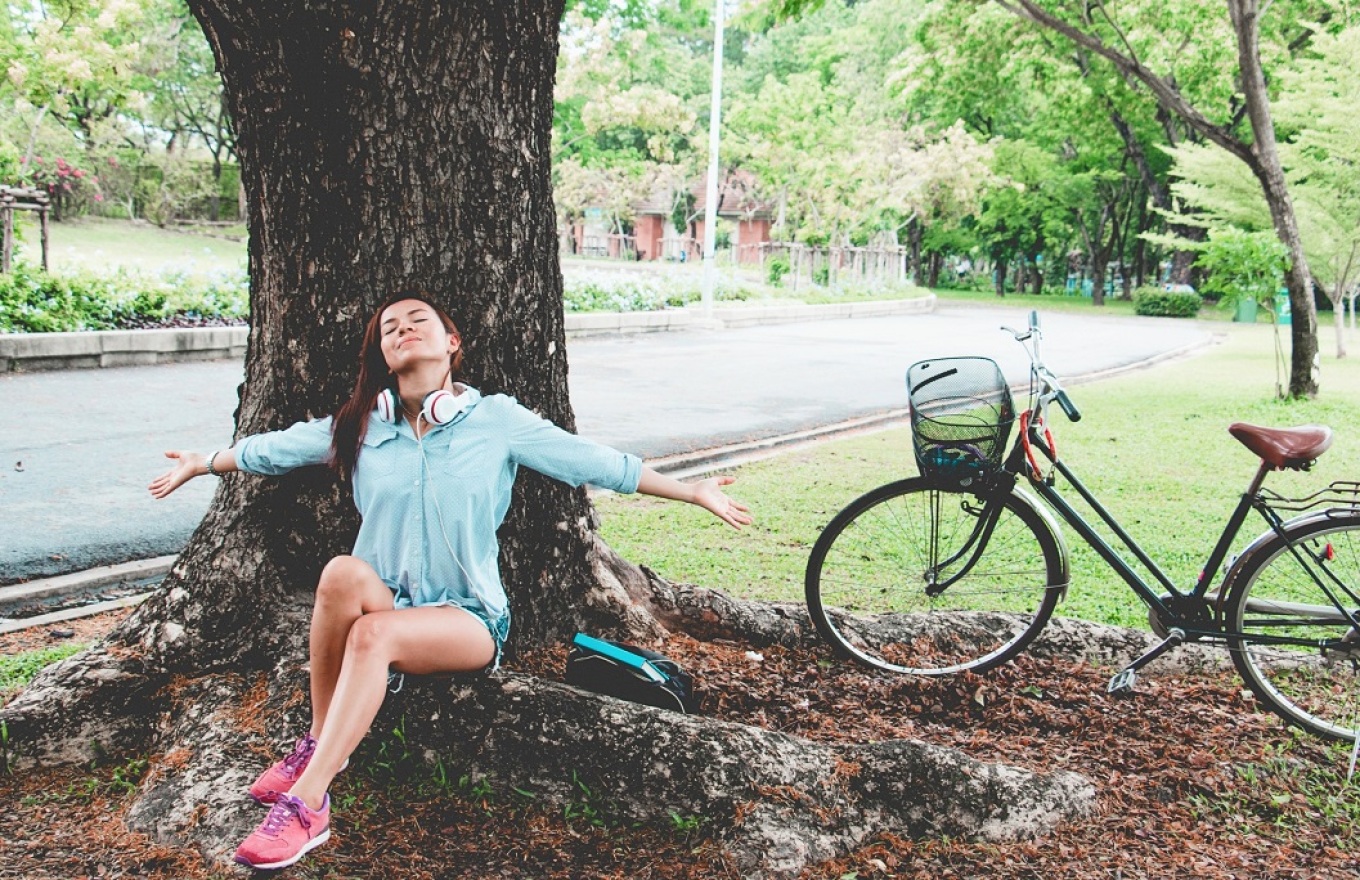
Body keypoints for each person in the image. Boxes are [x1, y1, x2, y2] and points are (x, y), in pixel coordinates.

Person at [149, 291, 751, 871]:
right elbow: (276, 451)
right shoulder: (362, 425)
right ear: (384, 356)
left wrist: (690, 490)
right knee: (339, 574)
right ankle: (318, 740)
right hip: (389, 600)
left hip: (468, 621)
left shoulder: (495, 420)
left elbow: (592, 460)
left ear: (451, 341)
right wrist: (204, 461)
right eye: (390, 328)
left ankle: (308, 802)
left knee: (372, 638)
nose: (403, 330)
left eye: (418, 320)